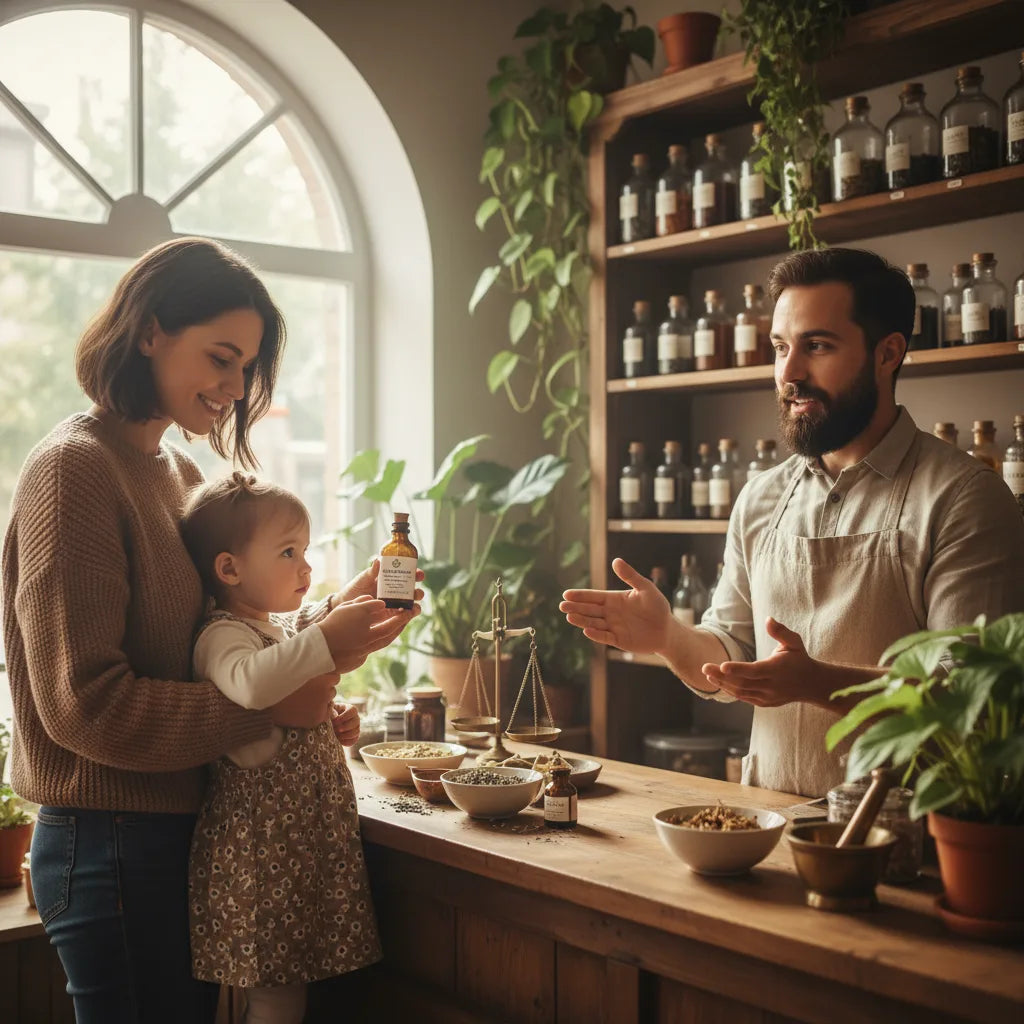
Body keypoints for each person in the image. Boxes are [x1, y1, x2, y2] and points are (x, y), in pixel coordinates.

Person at [1, 237, 417, 1023]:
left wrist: (331, 624)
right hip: (108, 844)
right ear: (149, 332)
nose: (234, 387)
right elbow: (84, 706)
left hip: (181, 833)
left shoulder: (181, 475)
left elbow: (225, 644)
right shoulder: (74, 470)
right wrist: (271, 708)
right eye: (221, 359)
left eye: (246, 368)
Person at [562, 247, 1024, 797]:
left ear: (888, 353)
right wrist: (668, 637)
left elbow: (968, 697)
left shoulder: (964, 497)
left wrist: (818, 683)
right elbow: (731, 654)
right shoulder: (761, 498)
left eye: (817, 346)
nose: (789, 373)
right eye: (780, 347)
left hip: (906, 835)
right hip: (767, 824)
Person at [179, 472, 395, 1024]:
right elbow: (253, 687)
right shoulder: (221, 635)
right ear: (230, 570)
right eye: (288, 552)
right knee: (276, 997)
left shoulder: (273, 628)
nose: (306, 567)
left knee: (291, 993)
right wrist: (325, 639)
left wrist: (332, 716)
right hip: (260, 858)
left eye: (305, 550)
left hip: (298, 849)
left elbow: (288, 705)